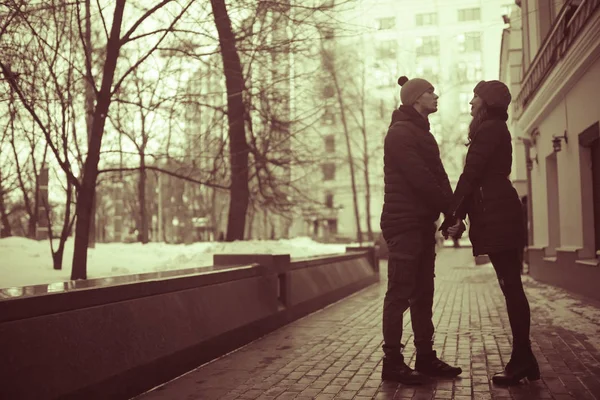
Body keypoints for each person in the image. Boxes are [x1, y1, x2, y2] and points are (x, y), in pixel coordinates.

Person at [441, 80, 539, 386]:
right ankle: (526, 359)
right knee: (511, 287)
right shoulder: (492, 130)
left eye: (475, 97)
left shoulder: (490, 129)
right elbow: (476, 177)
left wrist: (453, 213)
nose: (471, 102)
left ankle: (522, 359)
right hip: (499, 213)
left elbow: (471, 174)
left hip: (499, 216)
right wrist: (458, 214)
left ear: (487, 102)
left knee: (511, 287)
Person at [380, 75, 463, 385]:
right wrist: (447, 209)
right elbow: (421, 179)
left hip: (420, 224)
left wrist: (452, 212)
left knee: (423, 294)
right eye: (430, 91)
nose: (436, 95)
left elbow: (439, 177)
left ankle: (425, 357)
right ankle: (392, 362)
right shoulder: (399, 133)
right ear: (415, 98)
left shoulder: (423, 134)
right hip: (403, 224)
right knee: (400, 293)